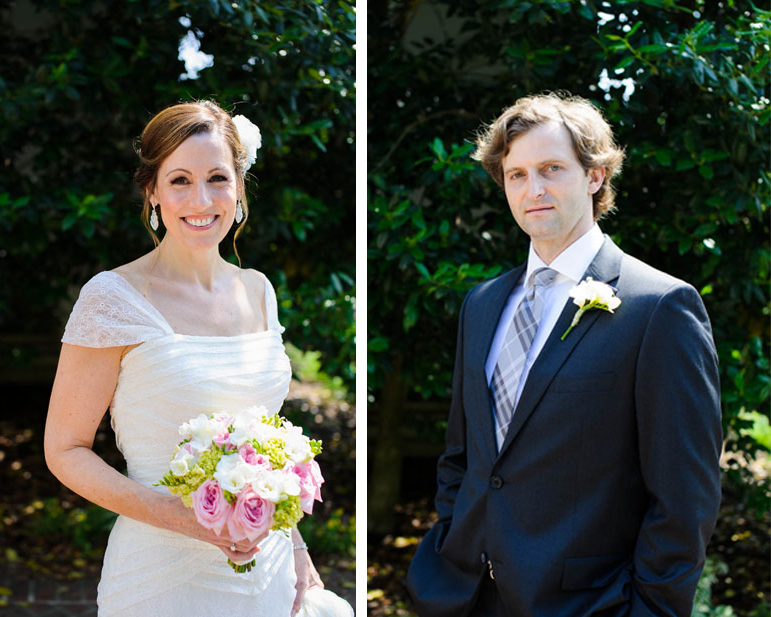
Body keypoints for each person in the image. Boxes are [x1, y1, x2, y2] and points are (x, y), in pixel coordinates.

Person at [406, 93, 722, 617]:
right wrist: (445, 547)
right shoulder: (482, 304)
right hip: (460, 595)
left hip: (585, 603)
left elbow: (685, 497)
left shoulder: (659, 307)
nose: (534, 190)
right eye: (516, 174)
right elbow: (463, 456)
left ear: (595, 175)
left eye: (552, 169)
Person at [44, 100, 353, 617]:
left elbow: (265, 446)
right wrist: (183, 518)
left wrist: (297, 550)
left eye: (217, 178)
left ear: (239, 188)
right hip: (161, 575)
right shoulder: (113, 298)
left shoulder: (257, 290)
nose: (201, 199)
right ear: (152, 192)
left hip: (269, 567)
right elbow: (65, 449)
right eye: (180, 180)